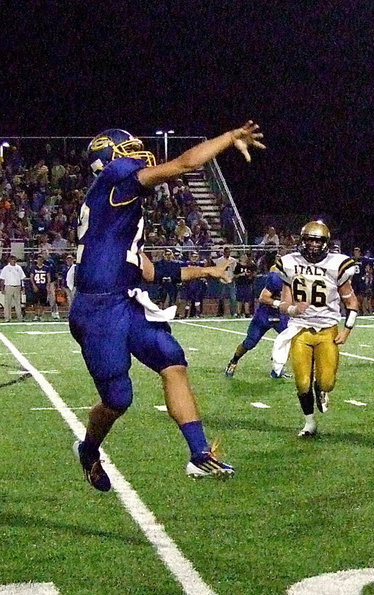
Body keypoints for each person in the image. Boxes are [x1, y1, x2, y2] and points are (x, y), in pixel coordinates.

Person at [69, 122, 265, 491]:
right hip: (97, 312)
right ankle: (89, 448)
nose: (137, 155)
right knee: (117, 399)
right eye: (128, 150)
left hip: (125, 303)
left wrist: (208, 269)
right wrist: (228, 137)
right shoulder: (115, 180)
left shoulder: (118, 208)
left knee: (172, 361)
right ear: (111, 159)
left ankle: (200, 455)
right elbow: (186, 164)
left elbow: (150, 269)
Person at [275, 220, 358, 437]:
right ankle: (309, 422)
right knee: (302, 382)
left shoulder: (338, 264)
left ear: (326, 242)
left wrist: (347, 329)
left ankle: (321, 391)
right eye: (309, 239)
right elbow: (285, 303)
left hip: (327, 328)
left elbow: (352, 304)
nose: (312, 244)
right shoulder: (289, 262)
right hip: (300, 329)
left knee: (327, 382)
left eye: (317, 240)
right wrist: (293, 309)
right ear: (302, 240)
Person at [225, 265, 293, 378]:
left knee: (290, 341)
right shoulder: (276, 279)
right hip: (264, 315)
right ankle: (234, 361)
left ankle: (277, 369)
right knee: (249, 343)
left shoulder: (300, 282)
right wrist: (279, 304)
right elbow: (263, 298)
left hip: (281, 316)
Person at [0, 254, 26, 322]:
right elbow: (2, 279)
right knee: (7, 303)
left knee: (18, 303)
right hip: (9, 286)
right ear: (9, 260)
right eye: (12, 259)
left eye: (14, 259)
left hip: (17, 286)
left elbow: (21, 278)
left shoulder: (19, 268)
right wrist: (2, 288)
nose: (13, 261)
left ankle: (20, 317)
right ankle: (7, 318)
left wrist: (23, 287)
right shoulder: (6, 268)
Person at [28, 254, 52, 321]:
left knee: (42, 302)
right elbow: (31, 277)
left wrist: (48, 286)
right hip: (36, 286)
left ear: (43, 261)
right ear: (36, 260)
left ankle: (40, 315)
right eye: (38, 260)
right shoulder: (34, 268)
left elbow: (48, 278)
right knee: (35, 302)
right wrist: (34, 285)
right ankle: (36, 315)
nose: (39, 261)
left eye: (41, 260)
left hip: (43, 286)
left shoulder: (46, 268)